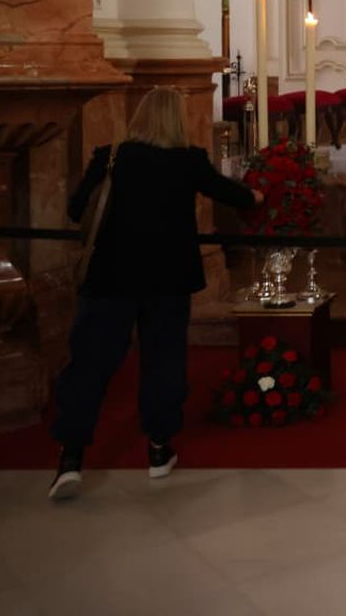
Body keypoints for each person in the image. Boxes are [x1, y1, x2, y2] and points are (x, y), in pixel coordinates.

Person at [50, 87, 262, 499]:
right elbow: (228, 193)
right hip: (167, 278)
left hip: (111, 276)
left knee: (91, 363)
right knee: (163, 360)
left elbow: (77, 209)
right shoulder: (187, 162)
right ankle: (159, 449)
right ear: (176, 121)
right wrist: (255, 195)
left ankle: (71, 457)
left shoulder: (111, 157)